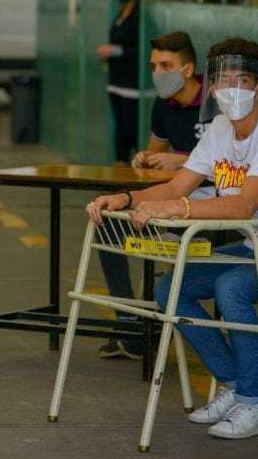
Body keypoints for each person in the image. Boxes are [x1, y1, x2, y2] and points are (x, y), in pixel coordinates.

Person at [86, 37, 258, 439]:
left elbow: (243, 206)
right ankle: (236, 384)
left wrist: (177, 210)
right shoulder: (221, 128)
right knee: (171, 289)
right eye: (222, 80)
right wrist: (126, 198)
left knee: (231, 286)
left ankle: (254, 404)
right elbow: (176, 187)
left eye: (241, 80)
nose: (229, 89)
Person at [97, 31, 211, 361]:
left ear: (187, 69)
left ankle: (156, 320)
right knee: (108, 226)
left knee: (168, 246)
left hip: (213, 210)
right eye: (154, 66)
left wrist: (184, 160)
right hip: (172, 203)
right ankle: (131, 322)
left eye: (166, 65)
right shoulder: (164, 105)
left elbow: (233, 163)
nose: (158, 73)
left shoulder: (217, 101)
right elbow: (155, 156)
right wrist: (144, 159)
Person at [96, 0, 141, 166]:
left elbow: (140, 48)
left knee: (130, 126)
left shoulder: (138, 15)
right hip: (115, 79)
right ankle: (120, 162)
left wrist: (117, 51)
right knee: (120, 126)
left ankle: (133, 164)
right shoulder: (121, 12)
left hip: (131, 81)